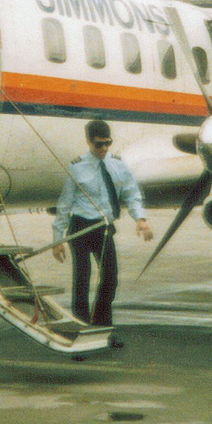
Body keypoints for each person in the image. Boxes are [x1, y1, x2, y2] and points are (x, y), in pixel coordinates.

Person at [51, 120, 152, 345]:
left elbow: (131, 192)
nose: (104, 149)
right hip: (80, 227)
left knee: (109, 280)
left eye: (108, 143)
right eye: (99, 145)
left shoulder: (117, 163)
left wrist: (141, 220)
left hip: (104, 229)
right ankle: (81, 331)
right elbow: (65, 204)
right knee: (82, 280)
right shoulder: (77, 167)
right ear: (88, 142)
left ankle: (103, 329)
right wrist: (58, 239)